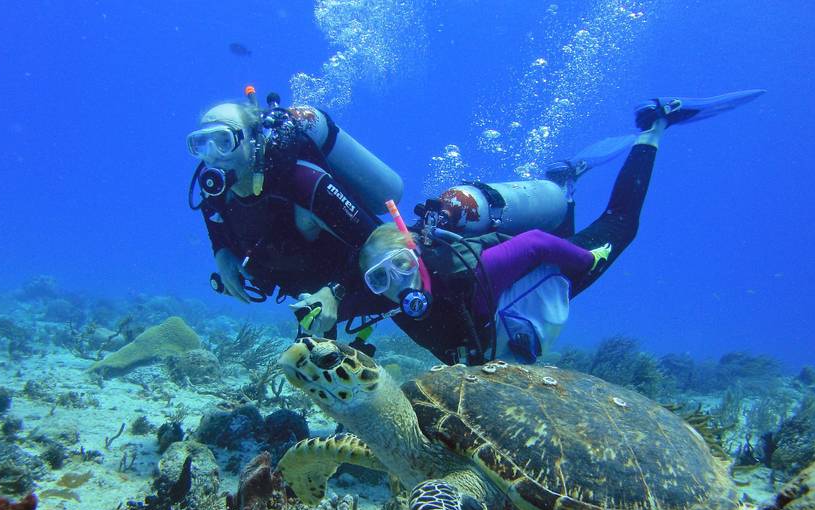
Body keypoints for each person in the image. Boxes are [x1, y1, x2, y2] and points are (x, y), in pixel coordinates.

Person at [345, 90, 766, 365]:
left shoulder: (471, 275)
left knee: (620, 224)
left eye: (400, 265)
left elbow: (536, 245)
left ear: (418, 254)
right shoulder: (393, 303)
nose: (396, 283)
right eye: (380, 278)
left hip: (546, 276)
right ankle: (565, 185)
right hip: (512, 313)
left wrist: (585, 261)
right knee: (567, 234)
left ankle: (654, 126)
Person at [186, 86, 403, 335]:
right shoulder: (213, 190)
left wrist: (336, 291)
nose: (212, 156)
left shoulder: (304, 183)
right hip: (304, 294)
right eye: (201, 144)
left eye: (225, 141)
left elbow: (378, 244)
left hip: (358, 285)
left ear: (254, 139)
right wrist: (221, 253)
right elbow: (214, 220)